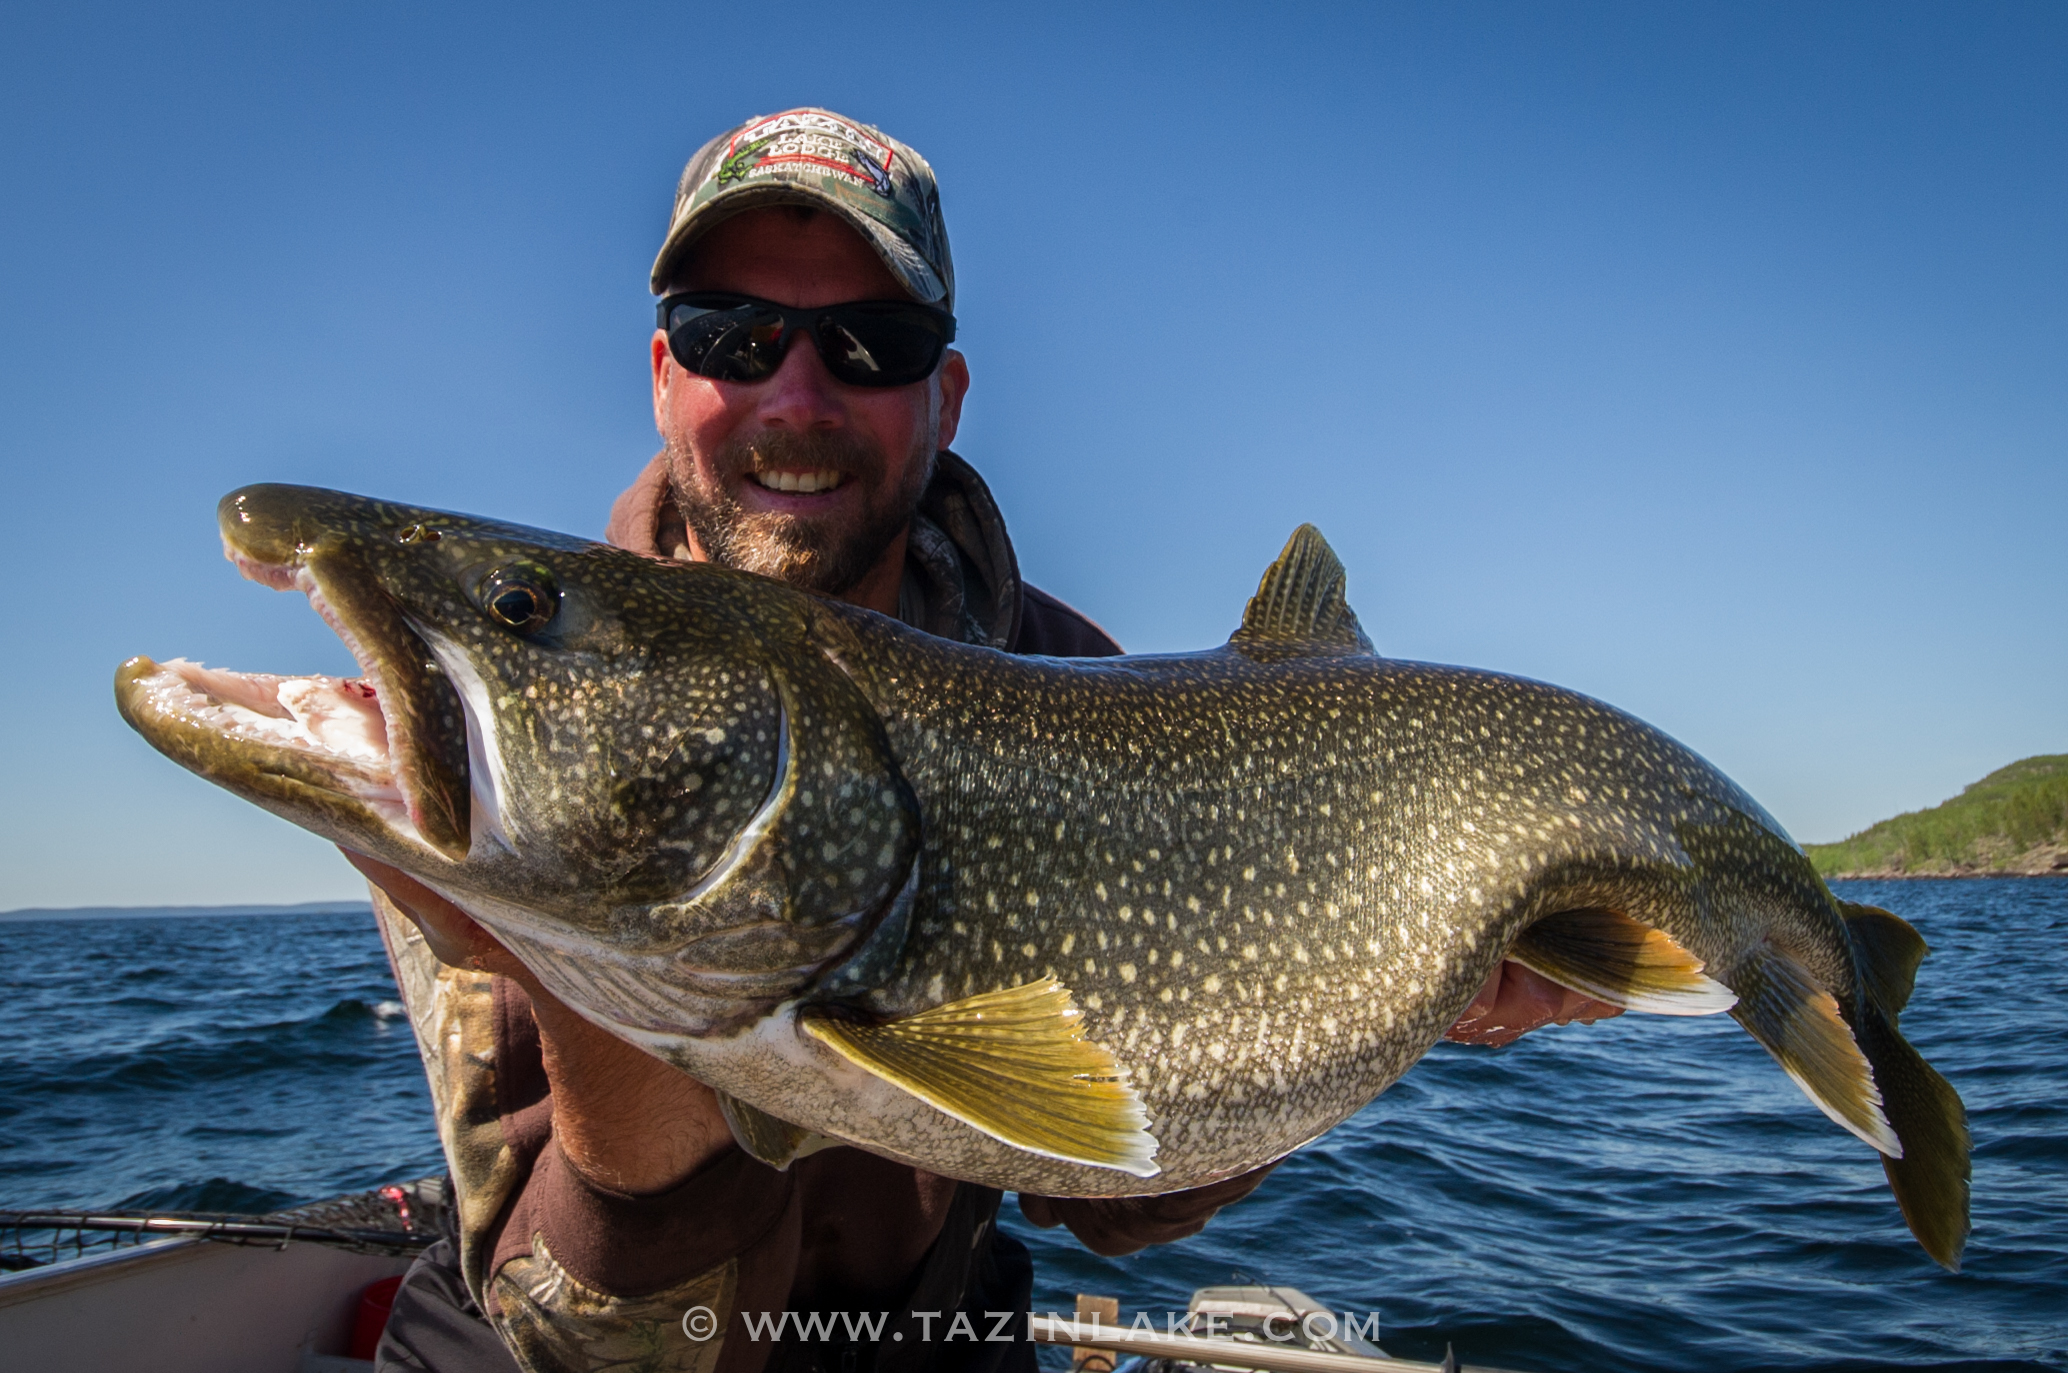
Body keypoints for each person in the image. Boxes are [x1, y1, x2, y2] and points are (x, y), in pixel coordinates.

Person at [351, 108, 1617, 1373]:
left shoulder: (1076, 683)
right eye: (730, 335)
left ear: (944, 397)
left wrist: (1379, 993)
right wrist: (583, 987)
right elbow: (584, 1331)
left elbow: (1118, 1194)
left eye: (872, 344)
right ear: (662, 375)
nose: (797, 395)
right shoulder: (530, 702)